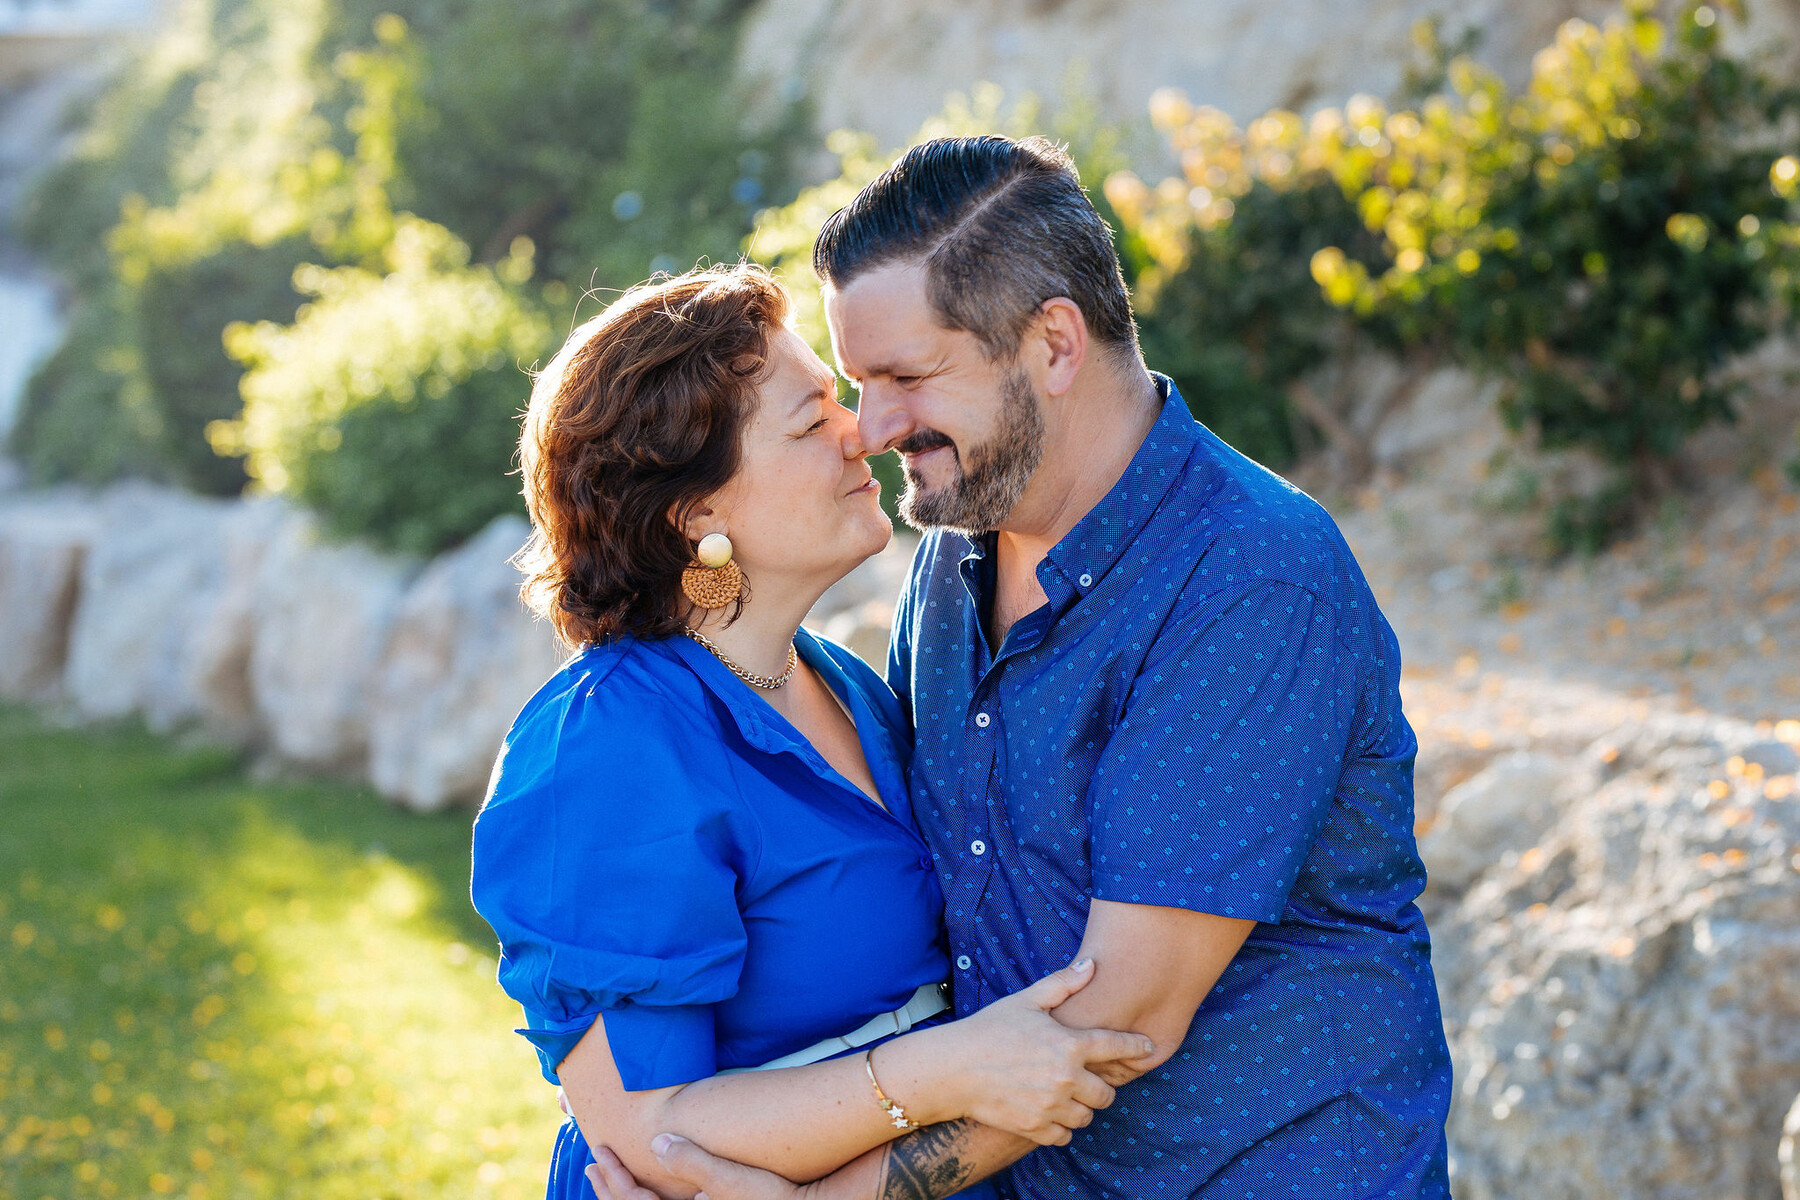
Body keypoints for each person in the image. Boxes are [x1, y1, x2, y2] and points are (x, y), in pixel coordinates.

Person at [582, 136, 1453, 1200]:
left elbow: (1115, 1020)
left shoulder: (1250, 580)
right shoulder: (955, 555)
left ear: (1052, 342)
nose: (877, 427)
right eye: (859, 384)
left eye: (908, 377)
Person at [469, 264, 1157, 1200]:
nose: (862, 434)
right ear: (697, 512)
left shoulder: (842, 684)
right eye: (809, 420)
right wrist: (951, 1069)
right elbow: (651, 1132)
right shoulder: (611, 746)